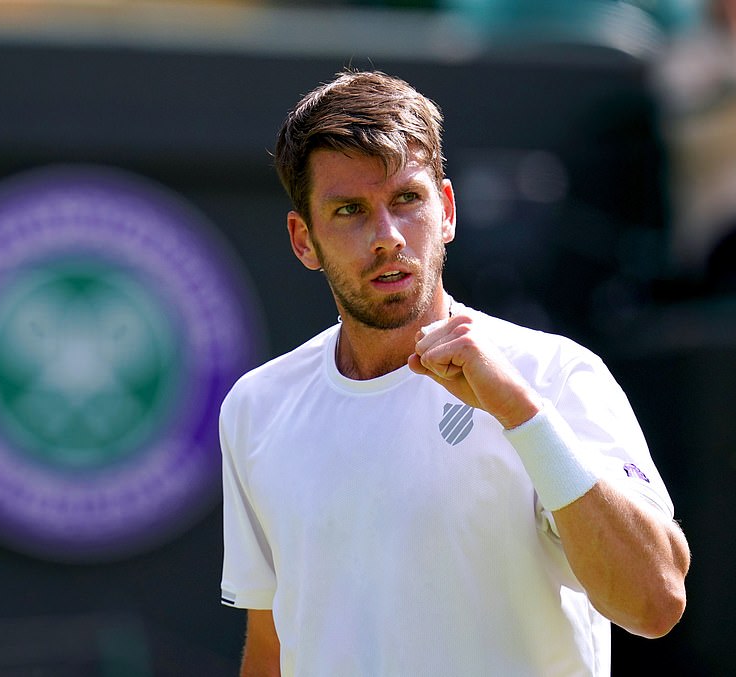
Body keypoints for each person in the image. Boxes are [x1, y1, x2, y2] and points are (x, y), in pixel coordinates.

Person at [219, 69, 690, 676]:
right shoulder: (257, 407)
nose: (387, 237)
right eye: (350, 211)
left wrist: (521, 414)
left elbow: (654, 602)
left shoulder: (555, 375)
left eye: (406, 200)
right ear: (303, 240)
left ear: (445, 209)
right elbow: (272, 647)